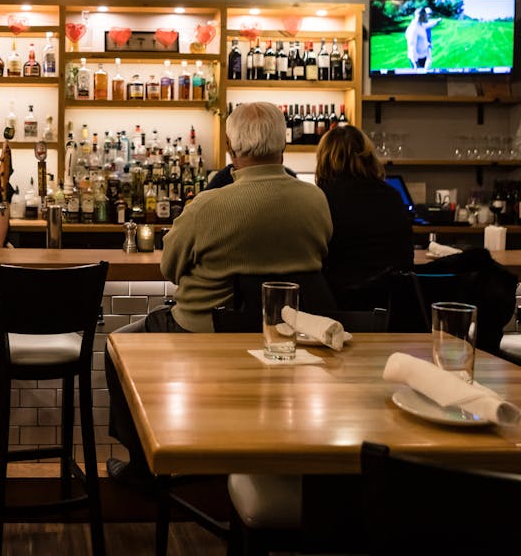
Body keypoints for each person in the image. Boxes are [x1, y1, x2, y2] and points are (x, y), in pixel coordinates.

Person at [105, 102, 332, 485]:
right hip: (284, 339)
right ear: (284, 146)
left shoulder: (209, 204)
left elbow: (169, 268)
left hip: (201, 334)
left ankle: (144, 469)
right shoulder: (316, 200)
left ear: (231, 151)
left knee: (116, 346)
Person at [314, 125, 413, 307]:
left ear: (324, 158)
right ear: (368, 157)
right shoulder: (392, 196)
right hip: (395, 304)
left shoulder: (322, 198)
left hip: (342, 305)